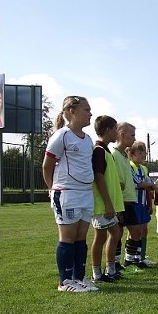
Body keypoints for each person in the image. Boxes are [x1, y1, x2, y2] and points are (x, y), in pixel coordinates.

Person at [42, 95, 98, 292]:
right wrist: (52, 189)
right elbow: (47, 166)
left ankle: (78, 278)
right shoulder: (61, 135)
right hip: (66, 192)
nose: (90, 113)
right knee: (67, 236)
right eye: (86, 109)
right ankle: (64, 282)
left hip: (85, 193)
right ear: (72, 111)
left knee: (81, 237)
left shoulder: (88, 138)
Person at [91, 115, 124, 283]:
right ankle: (97, 273)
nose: (117, 133)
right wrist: (108, 203)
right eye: (116, 129)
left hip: (109, 204)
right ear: (108, 130)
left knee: (116, 233)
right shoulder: (98, 150)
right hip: (102, 204)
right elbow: (98, 177)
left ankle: (110, 269)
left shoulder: (106, 151)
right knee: (101, 237)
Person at [112, 122, 147, 271]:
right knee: (117, 233)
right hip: (120, 201)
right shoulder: (113, 155)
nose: (134, 138)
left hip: (130, 200)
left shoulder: (124, 156)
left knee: (136, 231)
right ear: (121, 135)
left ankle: (130, 260)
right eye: (132, 135)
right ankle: (114, 263)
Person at [128, 141, 155, 266]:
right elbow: (139, 184)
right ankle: (131, 258)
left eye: (144, 152)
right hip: (134, 203)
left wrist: (150, 203)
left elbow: (148, 186)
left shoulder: (143, 168)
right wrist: (150, 185)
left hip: (143, 203)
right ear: (131, 154)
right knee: (135, 231)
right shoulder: (130, 166)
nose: (143, 155)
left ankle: (140, 256)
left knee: (144, 230)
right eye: (140, 152)